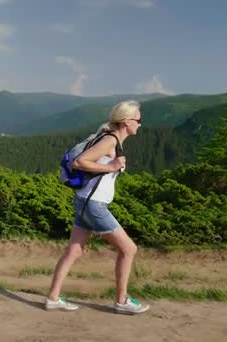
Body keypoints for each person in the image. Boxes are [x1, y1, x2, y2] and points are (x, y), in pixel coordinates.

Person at [45, 100, 150, 315]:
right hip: (93, 206)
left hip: (85, 202)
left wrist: (109, 166)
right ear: (127, 122)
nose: (140, 124)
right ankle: (121, 301)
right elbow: (80, 162)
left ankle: (53, 298)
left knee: (74, 250)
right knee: (129, 249)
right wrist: (110, 166)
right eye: (138, 120)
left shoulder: (110, 138)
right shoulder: (110, 140)